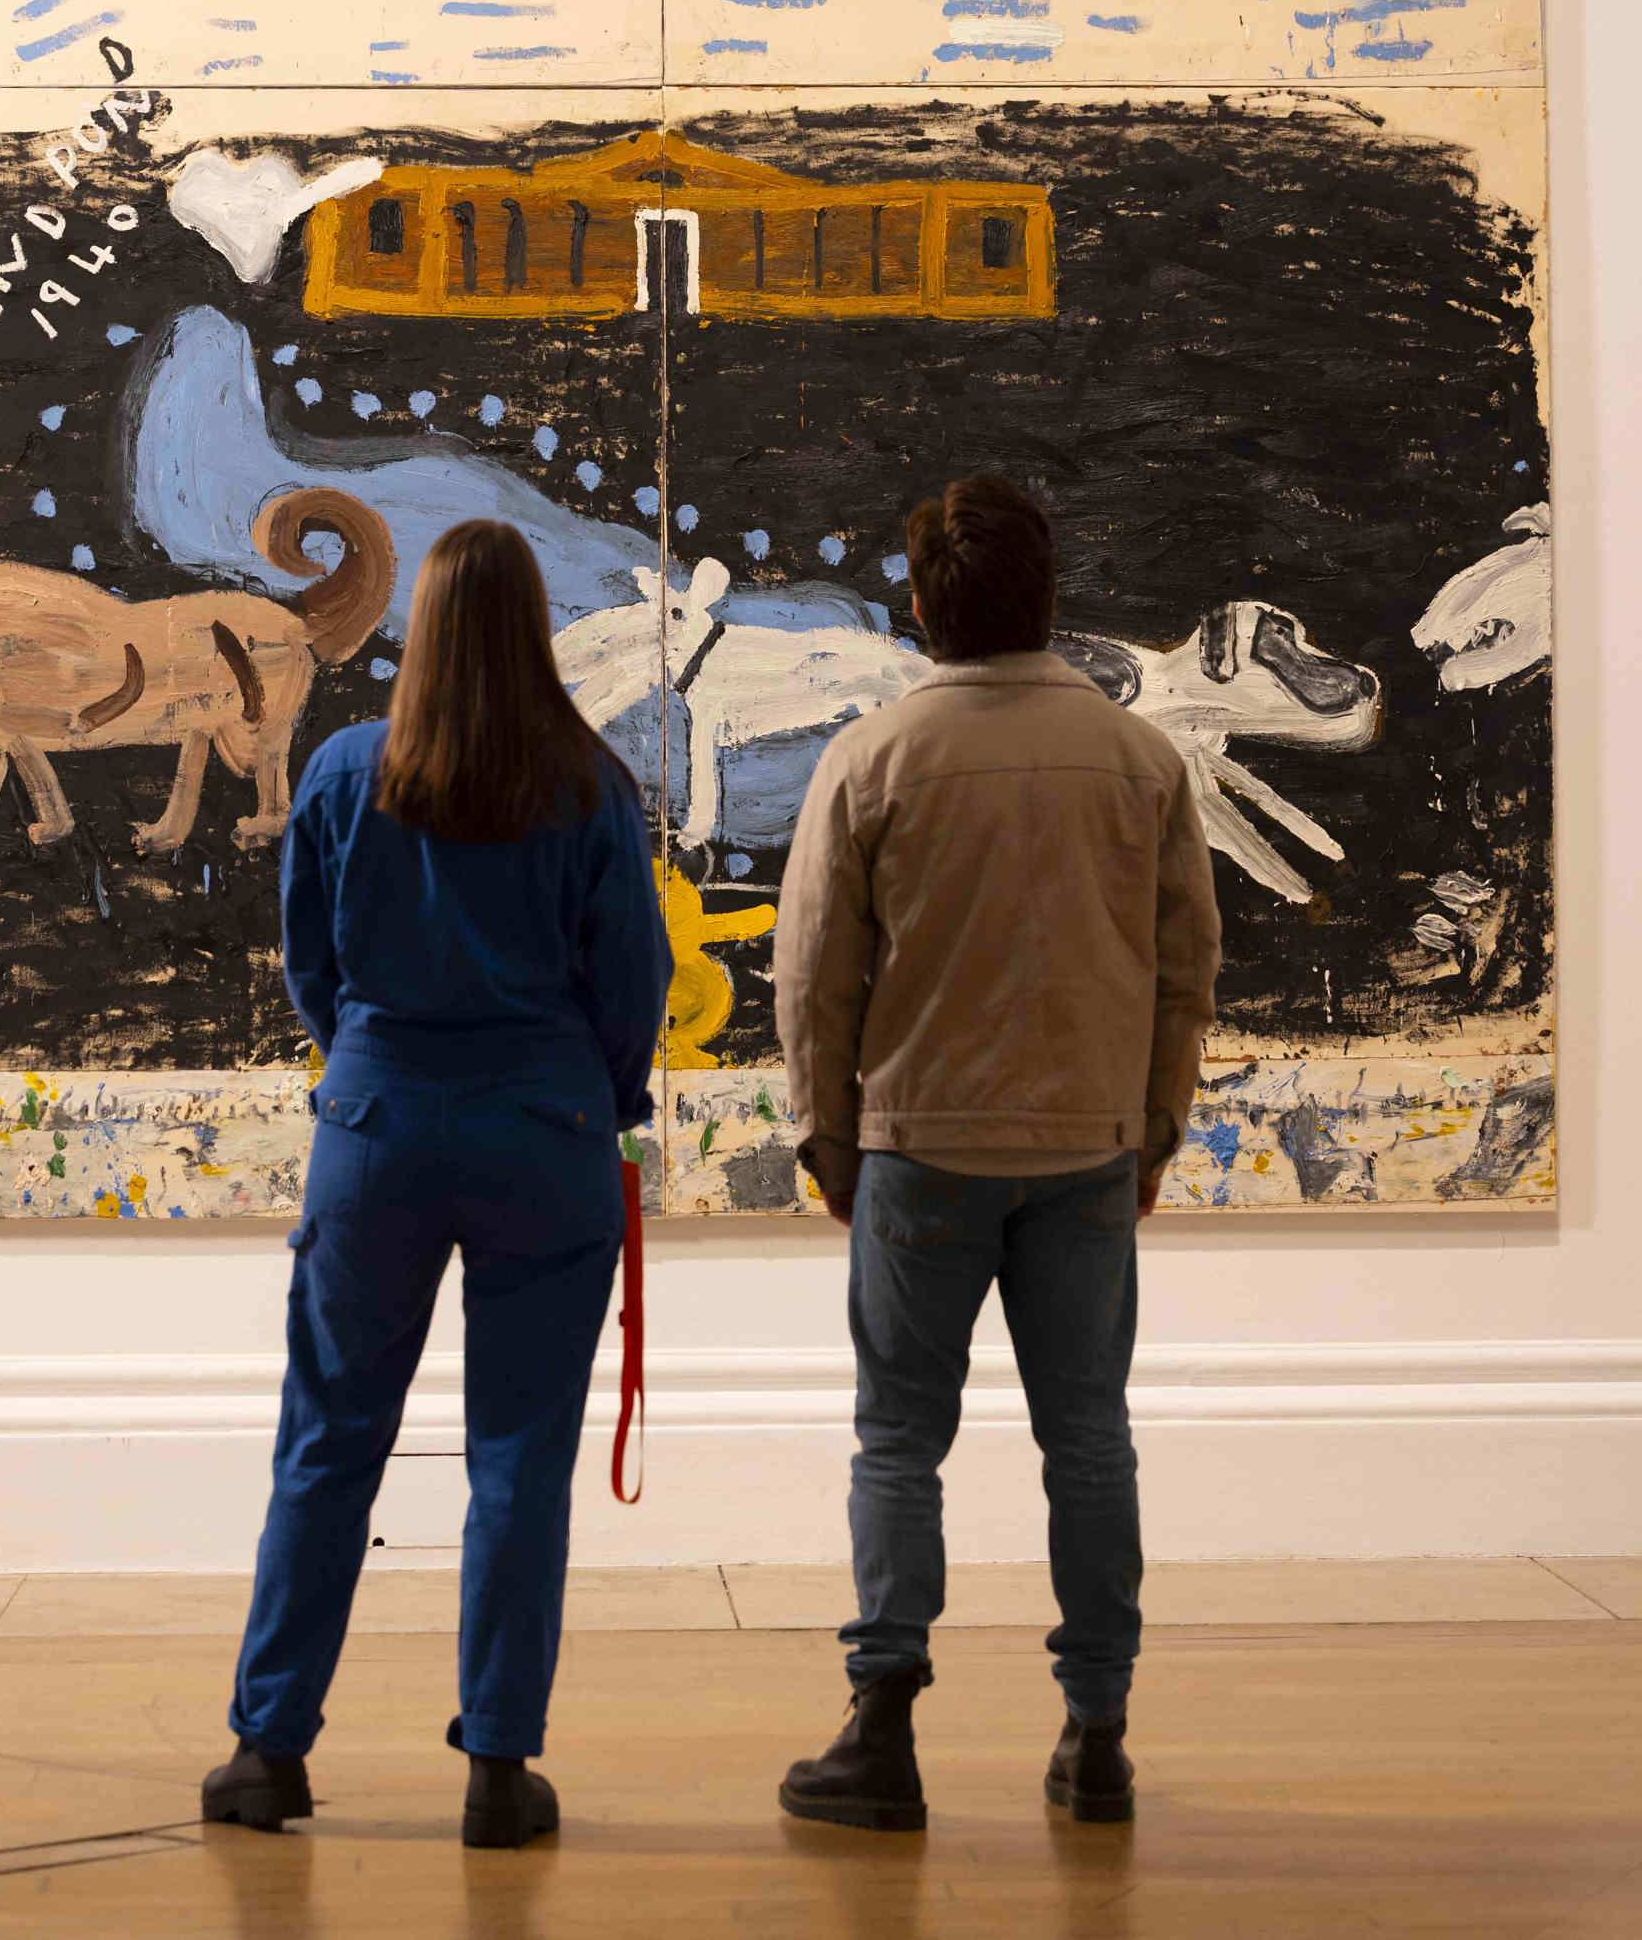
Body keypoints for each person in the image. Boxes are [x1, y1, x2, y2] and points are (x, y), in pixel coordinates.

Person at [202, 519, 670, 1851]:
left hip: (378, 1128)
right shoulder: (591, 783)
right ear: (532, 625)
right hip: (545, 1132)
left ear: (419, 620)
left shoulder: (347, 769)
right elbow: (632, 987)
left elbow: (309, 960)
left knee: (329, 1439)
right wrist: (600, 1100)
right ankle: (499, 1771)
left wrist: (365, 1062)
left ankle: (268, 1751)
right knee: (519, 1455)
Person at [772, 474, 1221, 1834]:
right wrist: (1154, 1128)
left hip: (920, 1143)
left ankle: (882, 1728)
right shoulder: (1141, 761)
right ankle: (1098, 1736)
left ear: (924, 603)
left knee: (898, 1441)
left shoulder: (874, 756)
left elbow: (814, 973)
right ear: (1049, 593)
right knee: (1088, 1439)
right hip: (1086, 1145)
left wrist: (825, 1132)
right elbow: (1187, 969)